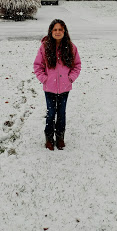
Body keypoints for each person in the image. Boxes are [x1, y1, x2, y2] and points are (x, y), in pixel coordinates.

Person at [33, 19, 81, 151]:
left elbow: (77, 65)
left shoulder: (71, 47)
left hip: (65, 88)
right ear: (51, 31)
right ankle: (49, 138)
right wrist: (44, 79)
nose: (58, 32)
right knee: (51, 112)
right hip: (49, 88)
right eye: (55, 29)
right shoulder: (45, 47)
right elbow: (38, 66)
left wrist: (70, 78)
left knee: (61, 113)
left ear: (64, 31)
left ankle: (60, 137)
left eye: (60, 29)